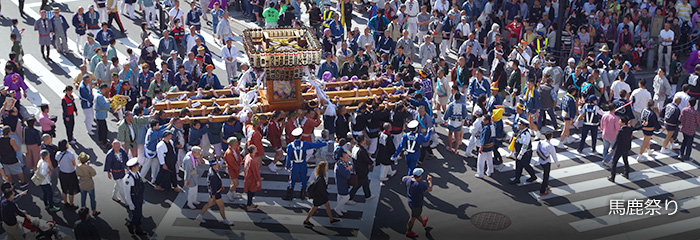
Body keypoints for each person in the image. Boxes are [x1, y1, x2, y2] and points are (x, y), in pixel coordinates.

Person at [283, 128, 330, 200]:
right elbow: (315, 145)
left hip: (295, 164)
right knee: (303, 179)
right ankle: (302, 195)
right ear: (301, 136)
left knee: (292, 180)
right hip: (303, 163)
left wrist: (287, 166)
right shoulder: (304, 144)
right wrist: (326, 143)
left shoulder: (290, 146)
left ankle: (289, 196)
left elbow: (288, 157)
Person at [195, 158, 234, 225]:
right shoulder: (213, 175)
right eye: (217, 163)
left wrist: (220, 185)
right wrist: (214, 198)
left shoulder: (212, 170)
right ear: (214, 165)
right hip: (216, 194)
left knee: (209, 204)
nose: (218, 164)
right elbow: (213, 188)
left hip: (214, 192)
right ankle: (225, 220)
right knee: (221, 206)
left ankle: (200, 216)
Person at [303, 161, 341, 227]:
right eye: (326, 166)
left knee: (327, 206)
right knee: (314, 208)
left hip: (320, 196)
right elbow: (321, 189)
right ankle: (306, 221)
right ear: (323, 168)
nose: (327, 167)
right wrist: (325, 194)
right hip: (320, 196)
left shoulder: (320, 175)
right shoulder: (321, 178)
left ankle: (331, 219)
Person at [402, 168, 432, 238]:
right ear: (420, 176)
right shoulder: (419, 185)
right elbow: (429, 189)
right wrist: (430, 181)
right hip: (417, 204)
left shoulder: (408, 180)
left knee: (416, 214)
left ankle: (423, 222)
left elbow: (403, 178)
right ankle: (409, 232)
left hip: (410, 201)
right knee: (413, 218)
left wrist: (411, 177)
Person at [509, 118, 537, 184]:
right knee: (518, 165)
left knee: (526, 165)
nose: (519, 125)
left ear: (524, 126)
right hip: (520, 152)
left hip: (525, 153)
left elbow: (525, 146)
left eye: (520, 124)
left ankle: (533, 176)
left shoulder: (526, 134)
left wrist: (520, 154)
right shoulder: (521, 131)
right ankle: (517, 178)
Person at [608, 116, 634, 183]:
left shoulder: (621, 131)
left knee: (614, 162)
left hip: (619, 149)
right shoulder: (629, 128)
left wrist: (612, 148)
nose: (619, 121)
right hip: (627, 147)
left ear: (623, 123)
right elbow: (637, 128)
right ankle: (626, 174)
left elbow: (617, 141)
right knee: (625, 160)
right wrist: (643, 125)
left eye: (620, 121)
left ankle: (612, 177)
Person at [123, 158, 146, 235]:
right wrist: (130, 204)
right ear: (133, 168)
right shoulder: (128, 179)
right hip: (134, 199)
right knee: (136, 215)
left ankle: (138, 230)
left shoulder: (137, 173)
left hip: (139, 198)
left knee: (139, 214)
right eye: (137, 165)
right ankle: (130, 225)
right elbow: (127, 192)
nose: (138, 166)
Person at [56, 139, 80, 208]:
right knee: (71, 191)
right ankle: (71, 204)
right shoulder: (70, 154)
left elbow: (58, 162)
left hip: (62, 173)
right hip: (70, 173)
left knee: (64, 189)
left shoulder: (57, 154)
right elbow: (74, 164)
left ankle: (65, 203)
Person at [75, 152, 99, 216]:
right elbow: (94, 174)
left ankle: (83, 211)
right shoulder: (89, 167)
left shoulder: (78, 167)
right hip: (89, 184)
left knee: (83, 198)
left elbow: (76, 174)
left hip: (82, 184)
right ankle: (94, 211)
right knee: (92, 199)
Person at [536, 132, 559, 196]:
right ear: (551, 137)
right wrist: (557, 163)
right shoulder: (550, 146)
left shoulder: (541, 142)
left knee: (546, 175)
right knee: (546, 176)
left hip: (541, 160)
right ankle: (542, 191)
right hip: (546, 162)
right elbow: (554, 155)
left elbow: (537, 150)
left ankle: (546, 186)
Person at [333, 146, 352, 216]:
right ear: (341, 158)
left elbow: (349, 163)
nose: (348, 159)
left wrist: (348, 167)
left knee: (340, 196)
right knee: (346, 197)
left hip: (341, 183)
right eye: (346, 158)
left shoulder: (341, 163)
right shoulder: (340, 166)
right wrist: (349, 169)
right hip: (342, 184)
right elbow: (347, 175)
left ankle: (341, 208)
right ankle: (337, 208)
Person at [243, 145, 261, 212]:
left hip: (248, 177)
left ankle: (250, 203)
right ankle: (249, 205)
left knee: (250, 191)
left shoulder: (248, 156)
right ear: (253, 151)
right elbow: (255, 172)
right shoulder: (252, 160)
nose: (256, 149)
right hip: (252, 178)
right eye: (255, 148)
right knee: (251, 192)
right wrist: (258, 180)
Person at [94, 84, 112, 148]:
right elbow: (104, 104)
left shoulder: (98, 94)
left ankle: (100, 139)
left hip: (99, 114)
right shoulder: (100, 96)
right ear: (102, 89)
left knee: (100, 128)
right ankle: (104, 142)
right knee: (104, 129)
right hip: (100, 115)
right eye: (105, 89)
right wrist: (109, 103)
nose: (106, 91)